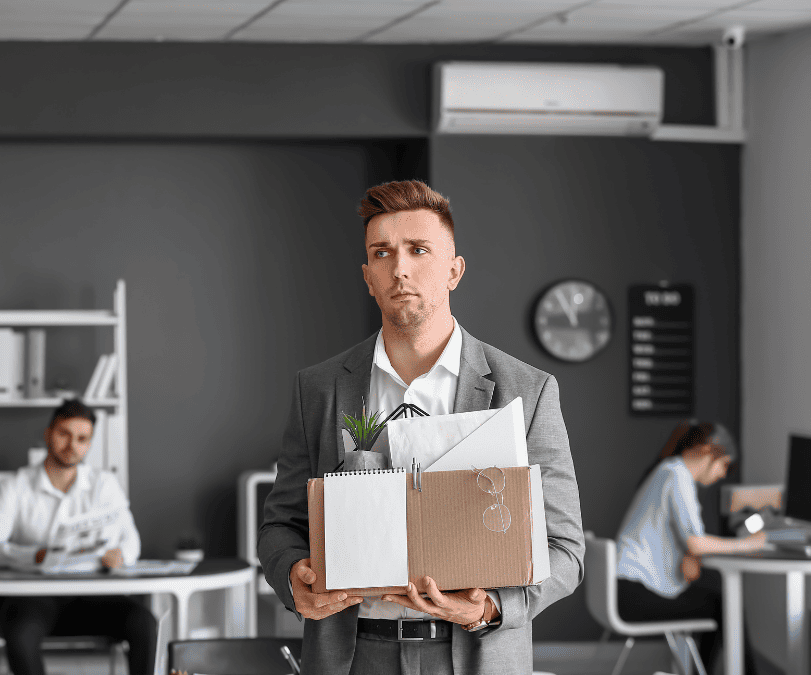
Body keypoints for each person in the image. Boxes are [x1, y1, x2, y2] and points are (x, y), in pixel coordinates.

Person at [257, 180, 585, 675]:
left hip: (476, 656)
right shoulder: (319, 389)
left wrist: (490, 606)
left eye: (418, 249)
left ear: (454, 270)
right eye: (382, 253)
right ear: (368, 277)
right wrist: (292, 576)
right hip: (351, 655)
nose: (400, 268)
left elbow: (565, 547)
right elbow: (281, 525)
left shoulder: (527, 390)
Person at [0, 399, 156, 675]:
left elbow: (132, 540)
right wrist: (32, 556)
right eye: (64, 434)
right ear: (48, 434)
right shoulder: (15, 487)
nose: (73, 445)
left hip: (92, 595)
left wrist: (122, 555)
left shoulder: (104, 484)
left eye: (82, 439)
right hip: (34, 597)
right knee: (21, 634)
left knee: (144, 623)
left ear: (90, 444)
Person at [616, 420, 766, 673]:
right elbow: (696, 542)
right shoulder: (677, 476)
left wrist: (690, 552)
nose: (721, 474)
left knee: (717, 600)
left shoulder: (667, 471)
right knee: (725, 604)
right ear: (708, 451)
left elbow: (690, 550)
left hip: (625, 588)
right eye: (724, 465)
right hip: (634, 592)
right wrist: (747, 544)